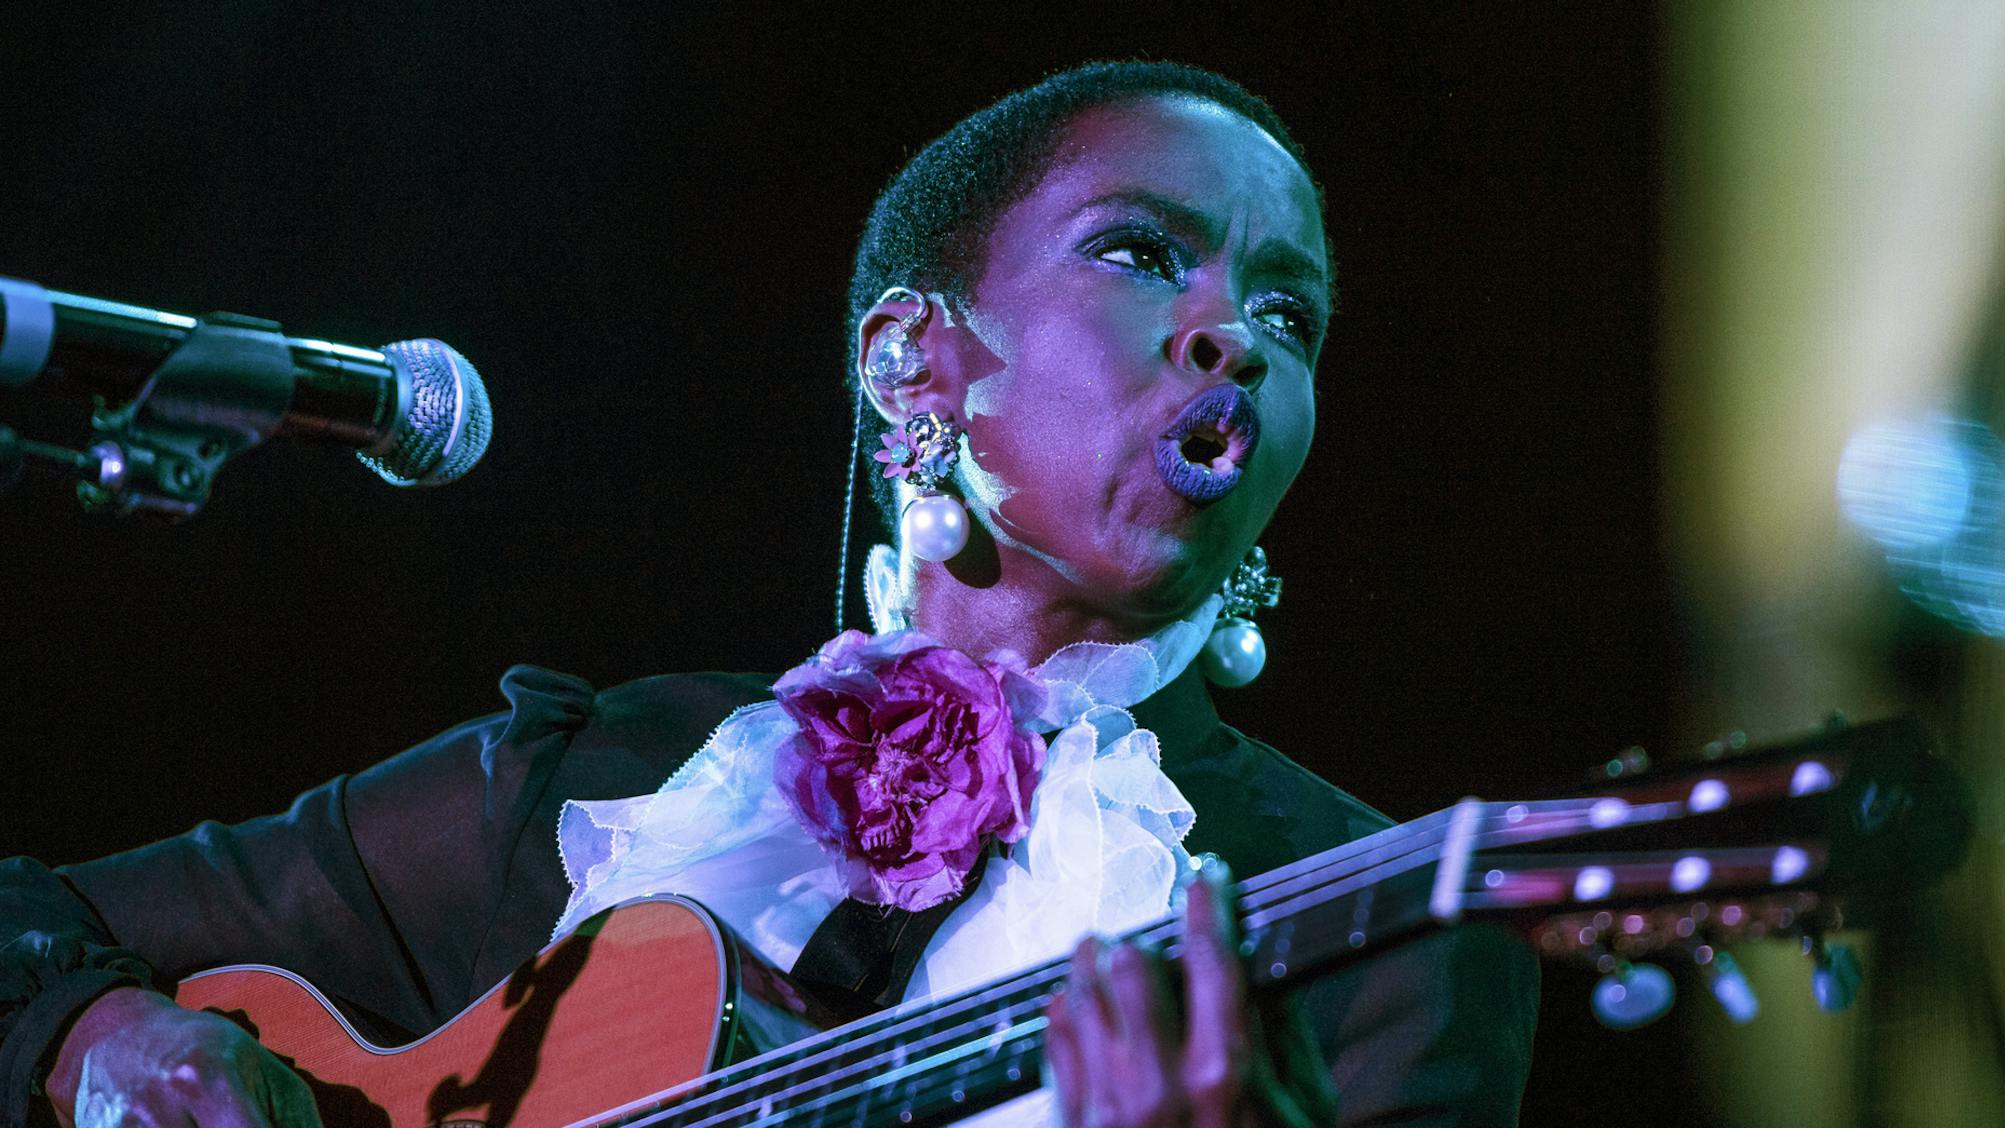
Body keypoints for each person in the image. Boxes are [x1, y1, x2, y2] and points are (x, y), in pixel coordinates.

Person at [0, 61, 1540, 1127]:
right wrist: (101, 1038)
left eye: (1290, 313)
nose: (1237, 338)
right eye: (1146, 254)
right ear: (908, 358)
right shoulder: (600, 781)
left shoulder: (1384, 925)